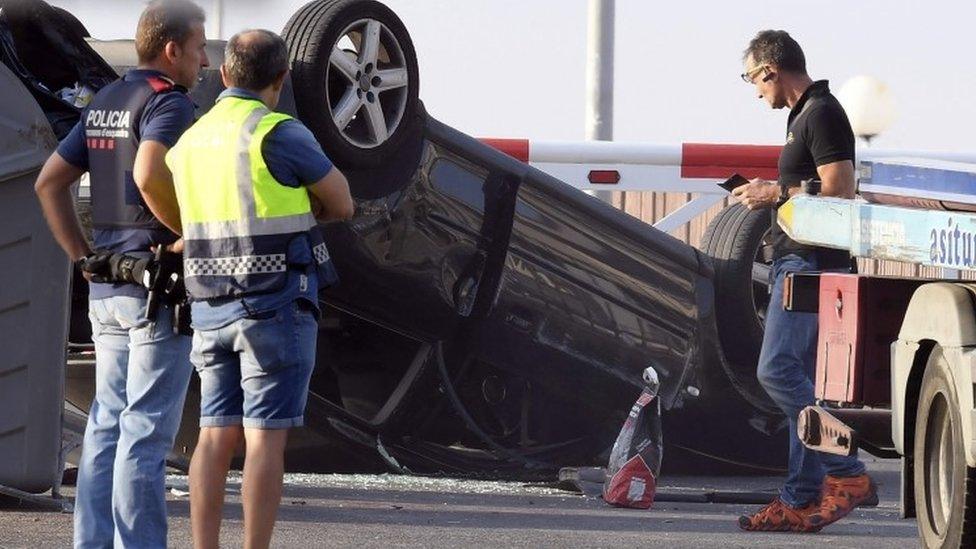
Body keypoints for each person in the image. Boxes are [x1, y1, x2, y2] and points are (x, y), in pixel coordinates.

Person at [164, 29, 353, 549]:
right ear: (282, 79)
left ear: (223, 75)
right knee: (264, 438)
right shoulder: (279, 131)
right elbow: (342, 203)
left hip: (207, 306)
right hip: (273, 304)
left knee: (213, 434)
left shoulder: (190, 142)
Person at [32, 1, 209, 547]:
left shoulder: (105, 100)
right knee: (146, 434)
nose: (203, 62)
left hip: (107, 285)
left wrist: (81, 257)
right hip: (156, 289)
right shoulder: (168, 104)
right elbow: (150, 168)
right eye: (200, 49)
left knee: (107, 428)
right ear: (172, 49)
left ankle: (93, 542)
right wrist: (188, 232)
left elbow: (49, 183)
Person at [733, 30, 876, 533]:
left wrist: (775, 191)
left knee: (776, 373)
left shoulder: (821, 112)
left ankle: (847, 472)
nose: (754, 90)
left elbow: (840, 187)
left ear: (771, 70)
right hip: (802, 261)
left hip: (811, 263)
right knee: (803, 385)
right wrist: (775, 192)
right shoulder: (803, 116)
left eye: (752, 78)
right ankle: (799, 497)